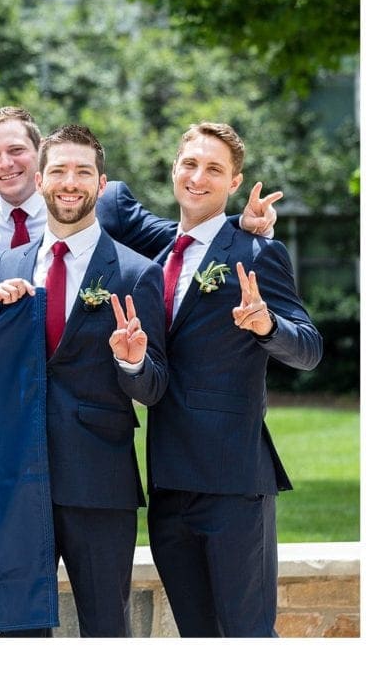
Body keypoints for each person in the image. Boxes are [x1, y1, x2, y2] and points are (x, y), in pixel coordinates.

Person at [0, 125, 168, 637]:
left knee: (106, 629)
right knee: (19, 632)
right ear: (41, 179)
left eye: (83, 172)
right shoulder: (10, 264)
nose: (71, 182)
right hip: (19, 479)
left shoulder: (136, 273)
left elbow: (155, 387)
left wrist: (132, 362)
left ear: (101, 183)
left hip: (99, 480)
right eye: (60, 170)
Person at [146, 122, 322, 637]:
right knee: (198, 642)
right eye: (190, 164)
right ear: (174, 169)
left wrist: (267, 325)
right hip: (168, 483)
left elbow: (308, 349)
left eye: (214, 169)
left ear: (235, 181)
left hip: (233, 482)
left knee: (246, 643)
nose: (198, 177)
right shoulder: (155, 261)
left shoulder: (257, 252)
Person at [0, 106, 282, 259]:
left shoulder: (108, 201)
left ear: (40, 155)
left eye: (16, 150)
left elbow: (177, 237)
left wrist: (243, 222)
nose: (5, 163)